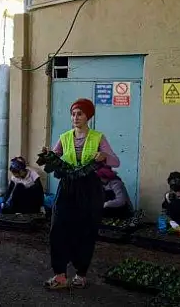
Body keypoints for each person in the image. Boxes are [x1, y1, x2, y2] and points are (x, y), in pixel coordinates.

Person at [43, 98, 120, 290]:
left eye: (80, 114)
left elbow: (116, 161)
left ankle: (81, 273)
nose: (75, 117)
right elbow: (53, 158)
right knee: (58, 227)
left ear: (88, 116)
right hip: (67, 186)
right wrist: (48, 155)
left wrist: (104, 156)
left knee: (85, 229)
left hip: (89, 188)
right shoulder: (64, 137)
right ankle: (60, 275)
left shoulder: (98, 137)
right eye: (73, 114)